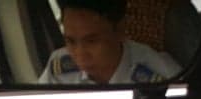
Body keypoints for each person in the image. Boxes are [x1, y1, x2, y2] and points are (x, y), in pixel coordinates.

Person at [42, 0, 182, 85]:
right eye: (70, 41)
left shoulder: (163, 76)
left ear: (120, 30)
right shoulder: (58, 69)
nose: (80, 55)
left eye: (91, 41)